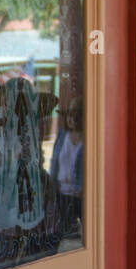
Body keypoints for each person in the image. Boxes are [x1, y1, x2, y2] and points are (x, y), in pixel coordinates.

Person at [49, 95, 83, 238]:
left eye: (75, 116)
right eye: (69, 115)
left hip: (81, 197)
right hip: (62, 194)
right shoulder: (62, 135)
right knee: (59, 234)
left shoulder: (89, 139)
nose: (71, 119)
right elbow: (54, 162)